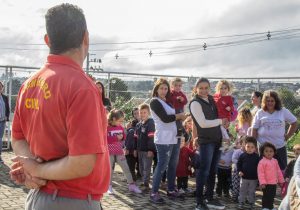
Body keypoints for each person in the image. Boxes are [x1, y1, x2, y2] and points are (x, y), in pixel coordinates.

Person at [10, 4, 110, 210]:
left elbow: (18, 138)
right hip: (74, 200)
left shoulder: (28, 85)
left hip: (39, 198)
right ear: (86, 38)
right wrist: (36, 169)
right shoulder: (82, 87)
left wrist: (33, 169)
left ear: (48, 40)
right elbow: (82, 163)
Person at [189, 77, 228, 210]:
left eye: (206, 88)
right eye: (201, 88)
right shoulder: (195, 103)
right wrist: (220, 121)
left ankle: (209, 198)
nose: (204, 90)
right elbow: (202, 123)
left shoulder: (211, 99)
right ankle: (199, 202)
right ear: (196, 89)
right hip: (206, 142)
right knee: (203, 171)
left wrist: (224, 126)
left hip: (217, 140)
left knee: (212, 171)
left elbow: (220, 116)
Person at [149, 78, 186, 204]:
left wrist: (182, 130)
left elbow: (175, 119)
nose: (164, 91)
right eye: (161, 88)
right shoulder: (154, 101)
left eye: (166, 88)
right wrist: (179, 116)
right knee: (162, 166)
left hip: (175, 137)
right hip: (163, 139)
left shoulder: (168, 102)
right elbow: (165, 119)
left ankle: (171, 189)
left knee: (172, 165)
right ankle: (154, 192)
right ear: (156, 89)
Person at [252, 90, 298, 170]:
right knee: (264, 172)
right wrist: (254, 145)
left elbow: (294, 122)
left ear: (276, 101)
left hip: (279, 147)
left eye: (272, 101)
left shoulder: (283, 111)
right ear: (264, 101)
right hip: (263, 149)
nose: (270, 103)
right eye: (268, 101)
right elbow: (254, 129)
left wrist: (287, 136)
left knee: (281, 172)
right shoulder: (260, 113)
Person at [106, 109, 141, 195]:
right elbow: (104, 139)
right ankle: (109, 186)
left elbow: (124, 136)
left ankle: (131, 185)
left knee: (126, 168)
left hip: (119, 152)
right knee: (109, 170)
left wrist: (122, 137)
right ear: (113, 119)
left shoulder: (120, 127)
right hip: (109, 153)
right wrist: (115, 138)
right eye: (120, 121)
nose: (121, 123)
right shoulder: (106, 127)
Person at [258, 142, 284, 210]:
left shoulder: (275, 161)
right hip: (266, 184)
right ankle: (265, 207)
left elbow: (278, 171)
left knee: (272, 196)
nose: (269, 153)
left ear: (274, 152)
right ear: (263, 152)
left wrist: (281, 181)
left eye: (271, 151)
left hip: (273, 183)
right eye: (266, 151)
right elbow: (261, 173)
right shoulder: (262, 162)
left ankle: (270, 207)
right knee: (266, 196)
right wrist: (262, 182)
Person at [135, 104, 155, 190]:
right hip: (139, 150)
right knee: (141, 167)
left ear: (149, 113)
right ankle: (143, 180)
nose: (142, 114)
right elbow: (136, 138)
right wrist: (135, 149)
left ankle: (145, 183)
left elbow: (151, 137)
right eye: (141, 112)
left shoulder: (151, 123)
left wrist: (151, 150)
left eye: (144, 112)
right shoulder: (138, 124)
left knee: (147, 167)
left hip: (147, 150)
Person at [237, 136, 260, 209]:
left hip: (254, 178)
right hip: (244, 178)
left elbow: (259, 168)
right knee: (242, 191)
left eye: (252, 147)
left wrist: (259, 178)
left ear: (255, 148)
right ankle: (241, 202)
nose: (250, 149)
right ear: (245, 146)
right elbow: (238, 164)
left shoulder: (257, 157)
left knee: (251, 191)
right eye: (248, 146)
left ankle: (251, 203)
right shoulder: (242, 156)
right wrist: (239, 171)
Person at [230, 136, 246, 202]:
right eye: (245, 143)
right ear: (241, 143)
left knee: (243, 185)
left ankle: (242, 197)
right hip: (237, 171)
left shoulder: (249, 153)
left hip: (245, 172)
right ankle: (235, 196)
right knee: (236, 184)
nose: (246, 145)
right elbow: (233, 159)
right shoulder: (238, 151)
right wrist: (240, 163)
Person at [0, 81, 10, 163]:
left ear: (2, 88)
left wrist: (7, 116)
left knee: (0, 138)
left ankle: (0, 156)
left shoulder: (5, 97)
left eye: (0, 86)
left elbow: (7, 108)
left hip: (2, 122)